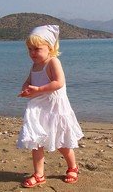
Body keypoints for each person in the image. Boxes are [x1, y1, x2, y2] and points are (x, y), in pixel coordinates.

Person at [17, 24, 84, 188]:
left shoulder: (53, 62)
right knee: (36, 141)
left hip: (55, 109)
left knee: (62, 142)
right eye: (30, 49)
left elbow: (59, 83)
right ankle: (39, 174)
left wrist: (39, 89)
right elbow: (29, 81)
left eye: (37, 49)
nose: (33, 53)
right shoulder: (35, 66)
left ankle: (72, 167)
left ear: (50, 47)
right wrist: (26, 89)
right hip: (39, 108)